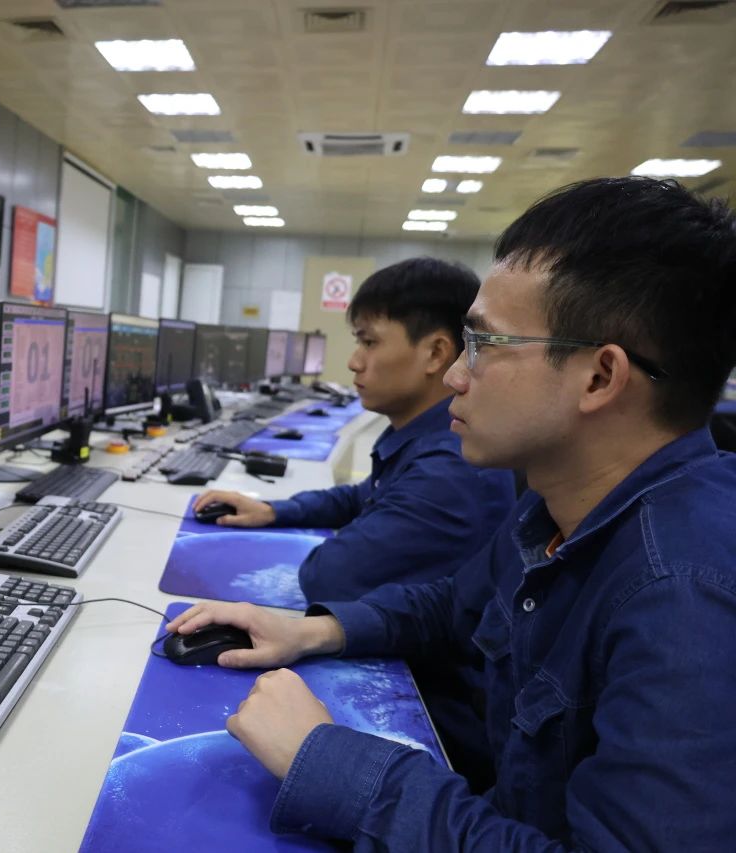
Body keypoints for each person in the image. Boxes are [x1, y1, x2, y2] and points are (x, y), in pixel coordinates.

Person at [167, 176, 736, 850]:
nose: (456, 376)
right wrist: (311, 631)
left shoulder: (685, 594)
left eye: (484, 346)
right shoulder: (560, 507)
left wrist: (331, 760)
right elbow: (453, 606)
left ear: (599, 377)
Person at [193, 256, 517, 604]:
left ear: (435, 353)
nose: (354, 361)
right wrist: (273, 511)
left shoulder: (447, 470)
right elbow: (361, 496)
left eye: (369, 342)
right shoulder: (428, 437)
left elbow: (328, 577)